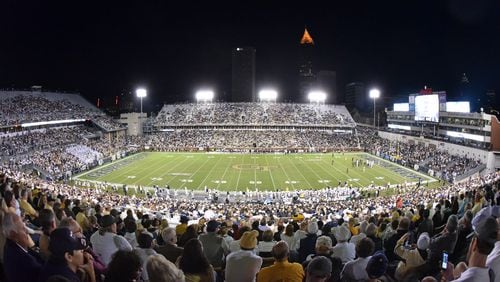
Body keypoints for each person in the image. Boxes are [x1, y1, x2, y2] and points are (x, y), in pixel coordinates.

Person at [2, 212, 44, 282]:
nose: (27, 231)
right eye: (23, 229)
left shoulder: (10, 244)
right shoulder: (27, 262)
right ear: (13, 235)